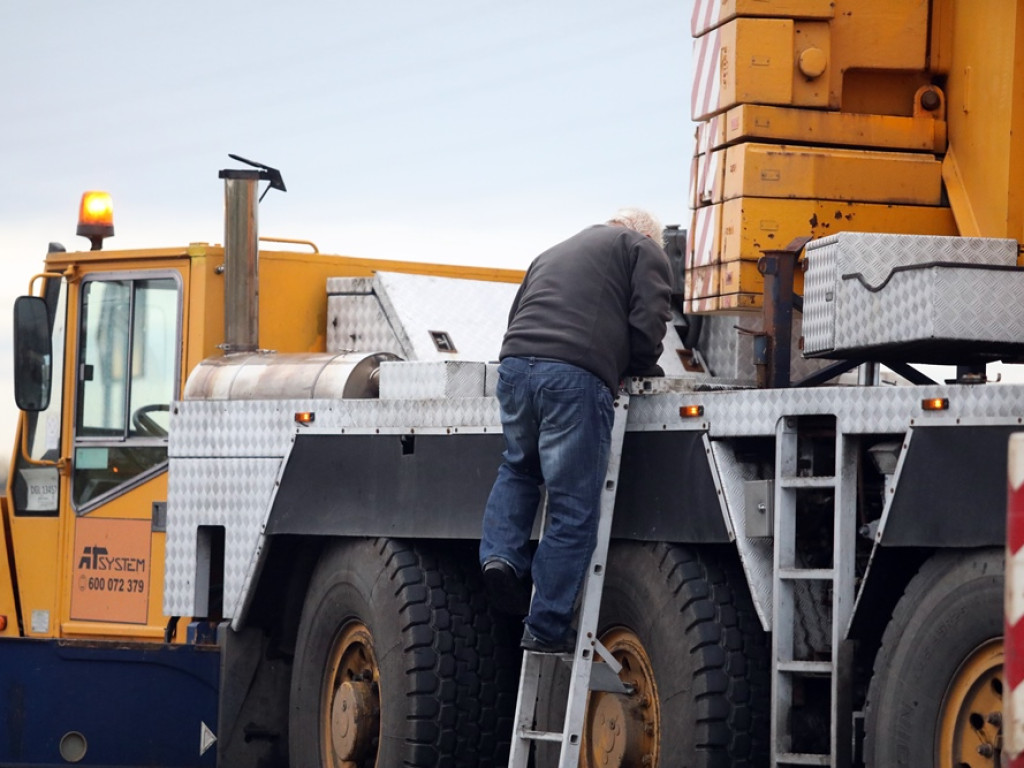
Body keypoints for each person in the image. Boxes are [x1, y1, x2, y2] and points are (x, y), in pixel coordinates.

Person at [479, 207, 673, 653]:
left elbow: (517, 315)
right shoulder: (642, 248)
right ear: (646, 234)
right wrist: (641, 366)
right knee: (573, 507)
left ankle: (500, 557)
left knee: (519, 467)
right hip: (572, 375)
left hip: (514, 366)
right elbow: (649, 319)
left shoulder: (551, 252)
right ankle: (546, 627)